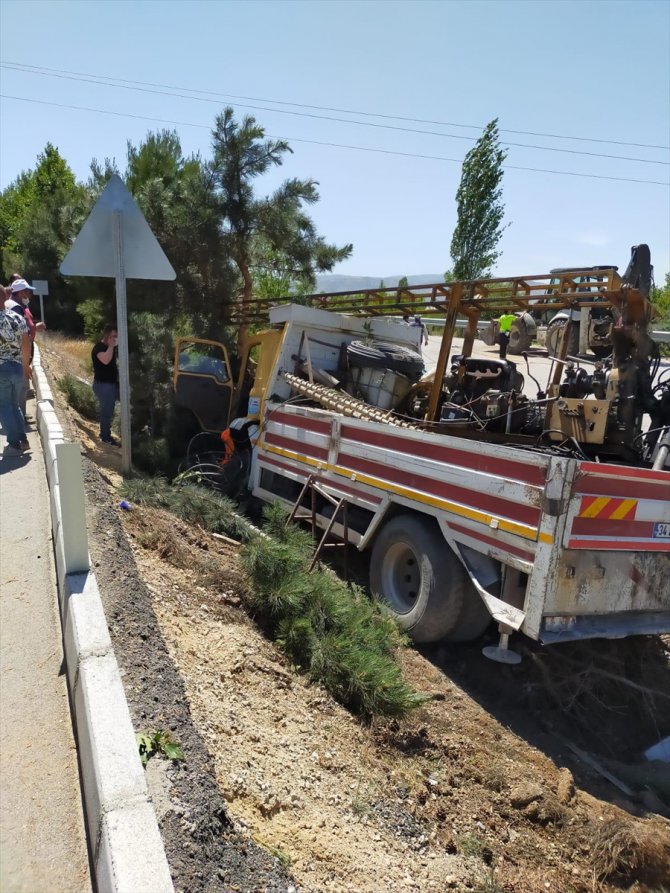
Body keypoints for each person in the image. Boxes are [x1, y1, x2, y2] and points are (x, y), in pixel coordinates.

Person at [6, 278, 45, 417]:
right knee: (19, 388)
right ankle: (18, 421)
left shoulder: (18, 306)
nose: (29, 295)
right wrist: (24, 363)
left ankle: (18, 418)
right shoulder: (15, 308)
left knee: (19, 389)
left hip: (18, 355)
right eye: (28, 292)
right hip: (18, 356)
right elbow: (21, 336)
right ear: (21, 292)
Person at [0, 303, 31, 457]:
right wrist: (26, 365)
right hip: (18, 367)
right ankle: (23, 440)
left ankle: (13, 445)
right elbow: (26, 342)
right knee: (14, 405)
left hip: (1, 369)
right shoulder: (17, 317)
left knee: (4, 407)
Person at [91, 325, 120, 446]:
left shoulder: (109, 347)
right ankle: (105, 437)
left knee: (109, 411)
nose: (115, 339)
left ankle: (105, 433)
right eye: (113, 336)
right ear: (107, 336)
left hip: (110, 385)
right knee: (106, 412)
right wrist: (112, 346)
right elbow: (106, 360)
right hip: (103, 386)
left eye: (116, 337)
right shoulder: (99, 348)